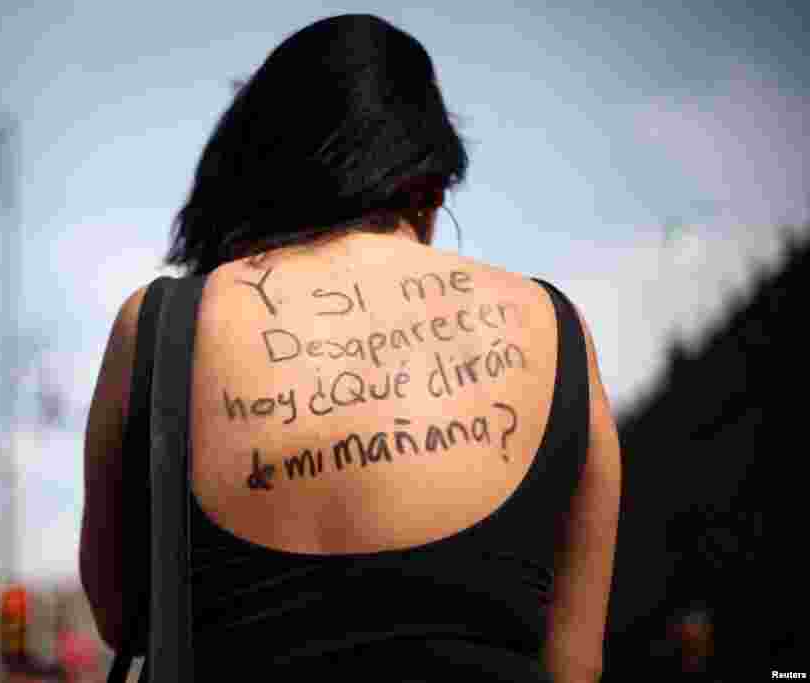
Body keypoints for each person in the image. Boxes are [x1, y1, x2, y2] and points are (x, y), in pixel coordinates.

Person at [80, 13, 621, 682]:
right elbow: (573, 664)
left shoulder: (160, 329)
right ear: (430, 185)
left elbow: (121, 611)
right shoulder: (557, 331)